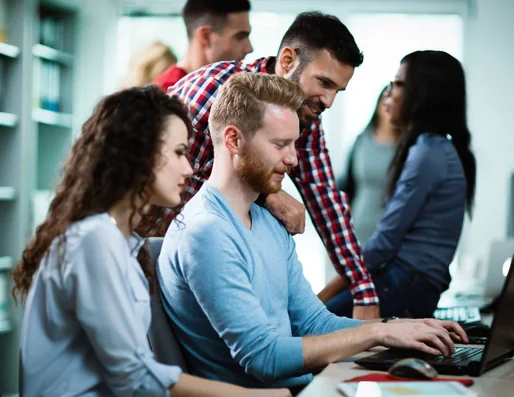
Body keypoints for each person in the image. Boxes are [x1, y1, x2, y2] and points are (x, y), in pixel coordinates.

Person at [157, 72, 468, 392]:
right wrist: (377, 333)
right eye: (280, 145)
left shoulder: (266, 222)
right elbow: (263, 357)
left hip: (306, 388)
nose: (292, 159)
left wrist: (399, 328)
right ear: (234, 140)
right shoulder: (207, 232)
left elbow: (315, 324)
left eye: (294, 145)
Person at [12, 86, 290, 397]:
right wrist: (256, 396)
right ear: (138, 154)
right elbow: (135, 377)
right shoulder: (95, 240)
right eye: (179, 153)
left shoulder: (122, 243)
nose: (190, 168)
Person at [169, 11, 380, 319]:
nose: (329, 101)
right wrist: (268, 195)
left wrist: (364, 290)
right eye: (324, 82)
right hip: (155, 244)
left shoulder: (303, 113)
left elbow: (325, 199)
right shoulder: (214, 91)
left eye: (338, 90)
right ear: (287, 60)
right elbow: (176, 184)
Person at [324, 50, 477, 319]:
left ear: (423, 94)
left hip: (405, 281)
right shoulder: (434, 148)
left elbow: (384, 243)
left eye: (398, 84)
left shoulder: (427, 153)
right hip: (411, 281)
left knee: (311, 326)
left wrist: (322, 296)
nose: (390, 93)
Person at [338, 86, 402, 244]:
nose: (390, 106)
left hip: (392, 233)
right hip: (358, 226)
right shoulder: (361, 141)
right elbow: (347, 185)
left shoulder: (407, 147)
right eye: (386, 100)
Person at [153, 0, 253, 92]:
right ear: (205, 36)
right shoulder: (166, 96)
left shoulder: (219, 87)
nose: (249, 48)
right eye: (240, 37)